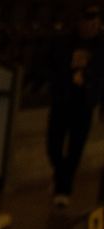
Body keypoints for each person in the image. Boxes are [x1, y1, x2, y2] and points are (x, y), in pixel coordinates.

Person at [46, 4, 104, 208]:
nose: (92, 27)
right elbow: (51, 67)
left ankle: (63, 189)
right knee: (53, 145)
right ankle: (60, 174)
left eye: (95, 23)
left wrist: (88, 81)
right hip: (63, 99)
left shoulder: (101, 48)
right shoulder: (63, 43)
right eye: (89, 23)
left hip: (84, 104)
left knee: (75, 148)